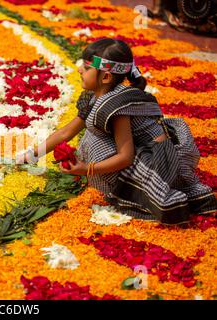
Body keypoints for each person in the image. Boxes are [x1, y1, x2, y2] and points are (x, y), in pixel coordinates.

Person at [19, 38, 217, 225]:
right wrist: (31, 155)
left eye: (87, 67)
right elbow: (65, 133)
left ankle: (146, 192)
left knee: (93, 138)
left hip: (158, 161)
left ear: (105, 76)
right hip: (144, 153)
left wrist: (86, 169)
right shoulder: (96, 97)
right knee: (92, 132)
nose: (79, 69)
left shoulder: (116, 106)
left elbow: (125, 157)